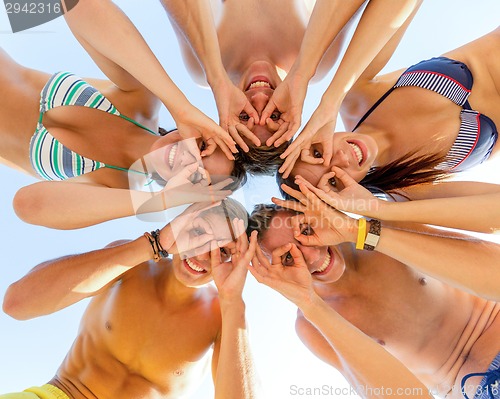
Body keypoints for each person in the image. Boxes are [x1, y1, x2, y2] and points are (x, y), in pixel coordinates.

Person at [4, 0, 246, 230]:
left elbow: (26, 204)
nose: (188, 157)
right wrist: (180, 106)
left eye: (195, 175)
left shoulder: (118, 188)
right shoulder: (142, 99)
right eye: (202, 147)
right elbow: (76, 5)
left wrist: (163, 201)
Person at [247, 178, 500, 399]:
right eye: (289, 258)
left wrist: (357, 231)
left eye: (306, 231)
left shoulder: (381, 226)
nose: (311, 256)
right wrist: (308, 302)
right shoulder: (311, 324)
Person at [2, 199, 259, 399]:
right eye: (198, 232)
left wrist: (232, 300)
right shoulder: (134, 265)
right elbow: (17, 303)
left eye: (223, 250)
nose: (204, 254)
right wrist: (153, 244)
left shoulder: (223, 317)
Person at [159, 0, 423, 174]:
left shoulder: (205, 68)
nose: (260, 98)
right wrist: (308, 78)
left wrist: (215, 75)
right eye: (274, 116)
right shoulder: (314, 65)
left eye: (244, 116)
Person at [278, 24, 500, 195]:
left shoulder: (354, 97)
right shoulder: (411, 186)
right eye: (334, 181)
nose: (340, 159)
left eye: (318, 153)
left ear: (309, 137)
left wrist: (331, 100)